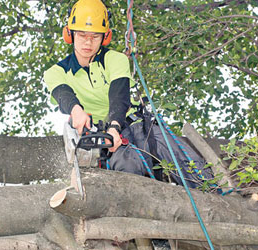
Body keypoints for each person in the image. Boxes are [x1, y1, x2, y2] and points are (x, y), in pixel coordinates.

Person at [44, 0, 213, 188]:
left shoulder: (114, 59)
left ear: (105, 37)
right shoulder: (55, 72)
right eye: (82, 34)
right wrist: (76, 111)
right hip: (100, 139)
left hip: (133, 125)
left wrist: (114, 127)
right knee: (128, 168)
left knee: (189, 163)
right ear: (70, 34)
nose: (88, 42)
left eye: (95, 36)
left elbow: (119, 94)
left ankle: (214, 196)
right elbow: (64, 95)